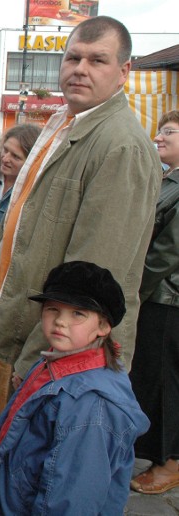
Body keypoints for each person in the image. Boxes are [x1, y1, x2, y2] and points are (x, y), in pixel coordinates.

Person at [0, 16, 162, 441]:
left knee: (49, 477)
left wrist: (41, 356)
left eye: (98, 60)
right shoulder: (63, 123)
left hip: (64, 356)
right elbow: (21, 226)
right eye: (73, 57)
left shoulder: (120, 145)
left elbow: (91, 279)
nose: (81, 69)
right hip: (35, 338)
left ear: (123, 72)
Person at [0, 261, 150, 514]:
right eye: (53, 309)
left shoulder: (90, 406)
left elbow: (74, 497)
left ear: (104, 326)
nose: (61, 322)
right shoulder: (51, 360)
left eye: (78, 314)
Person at [129, 110, 179, 495]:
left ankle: (170, 461)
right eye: (160, 130)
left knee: (164, 380)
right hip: (160, 296)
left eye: (170, 132)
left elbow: (167, 252)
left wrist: (134, 289)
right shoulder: (168, 179)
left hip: (167, 299)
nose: (159, 137)